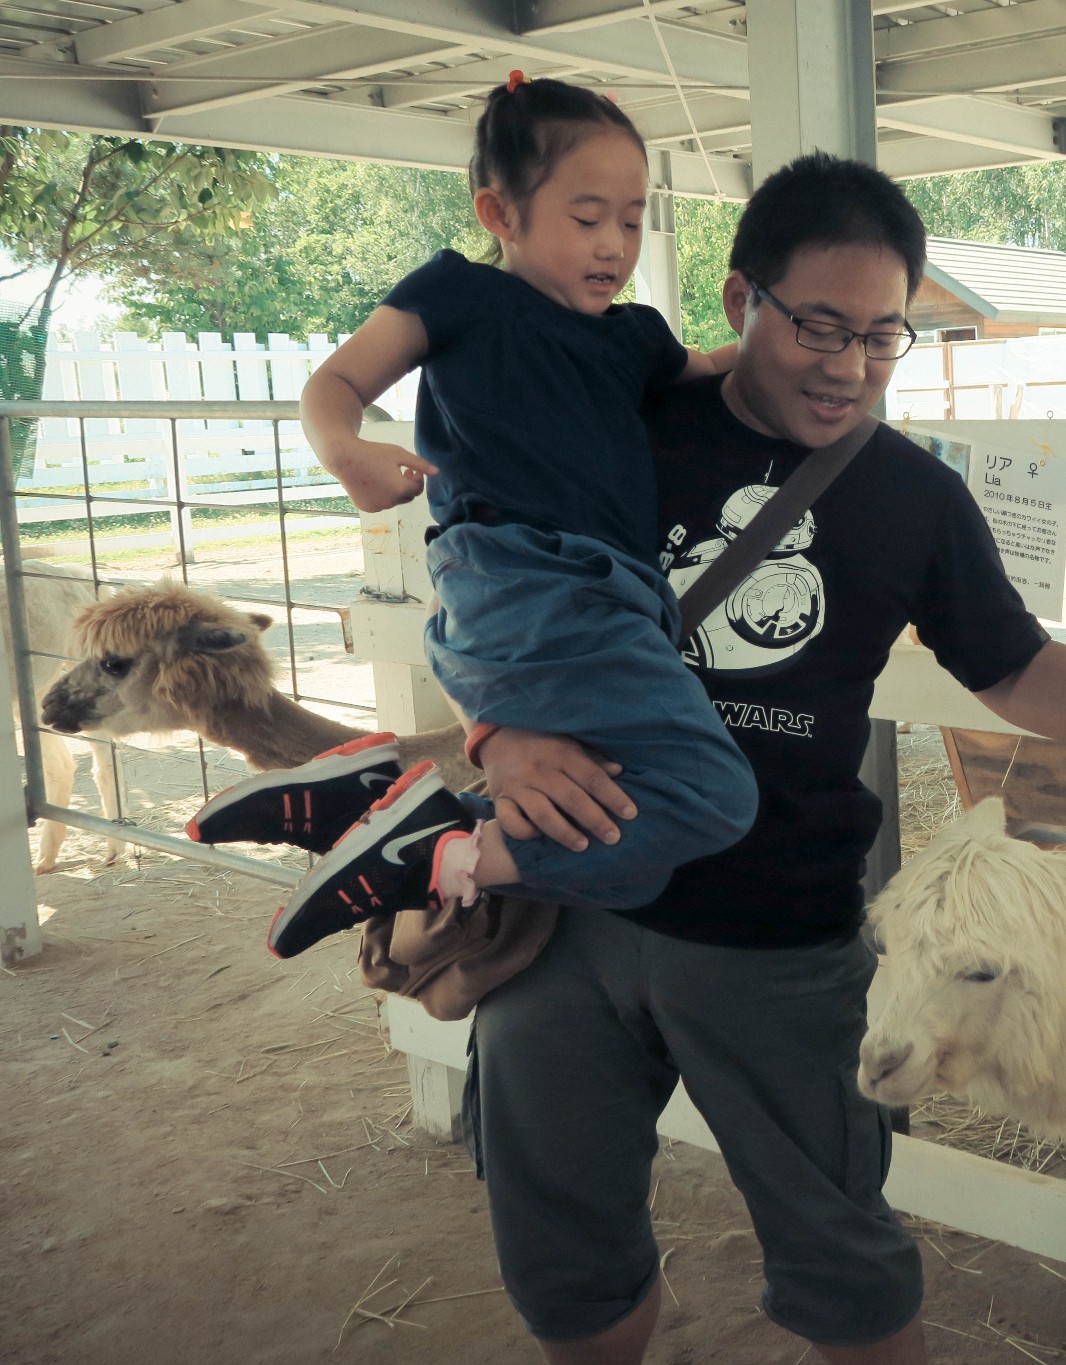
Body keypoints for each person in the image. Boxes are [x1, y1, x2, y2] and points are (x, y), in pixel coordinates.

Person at [462, 151, 1066, 1365]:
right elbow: (484, 576)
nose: (848, 367)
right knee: (561, 1241)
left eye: (882, 338)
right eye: (818, 328)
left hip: (774, 931)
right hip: (566, 903)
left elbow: (1005, 661)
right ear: (741, 302)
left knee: (842, 1250)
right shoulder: (618, 427)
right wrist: (498, 730)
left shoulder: (910, 495)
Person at [188, 74, 758, 958]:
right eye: (586, 216)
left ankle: (380, 795)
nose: (615, 244)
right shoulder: (461, 296)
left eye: (634, 218)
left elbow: (708, 366)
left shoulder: (633, 335)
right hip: (527, 583)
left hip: (605, 602)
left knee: (628, 856)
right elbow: (333, 383)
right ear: (500, 213)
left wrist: (786, 335)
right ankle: (437, 848)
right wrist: (349, 451)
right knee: (713, 793)